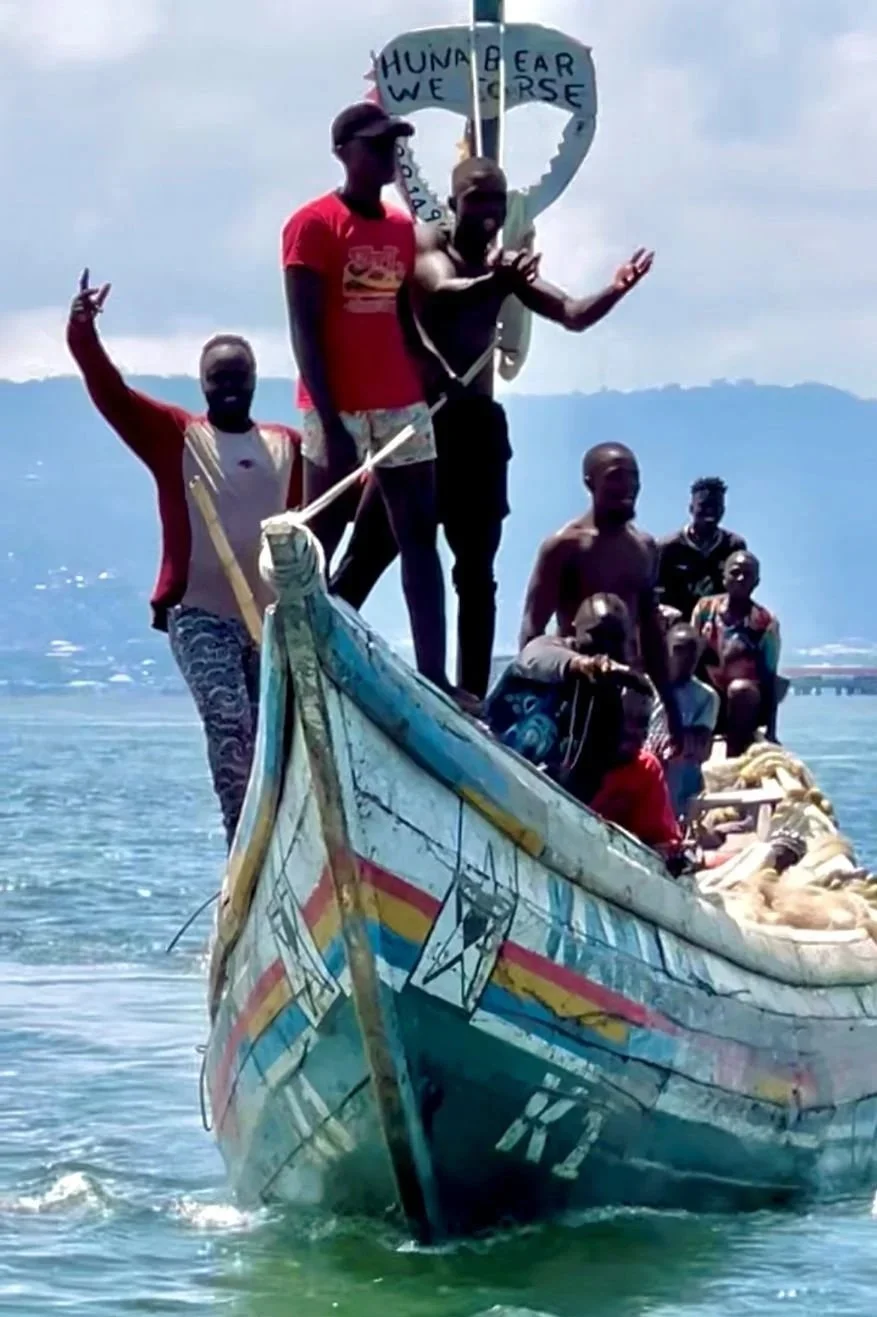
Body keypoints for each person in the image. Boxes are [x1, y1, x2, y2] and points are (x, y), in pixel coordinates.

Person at [330, 156, 654, 698]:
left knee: (476, 575)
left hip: (476, 432)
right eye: (477, 198)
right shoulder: (430, 248)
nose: (487, 211)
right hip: (418, 424)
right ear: (454, 202)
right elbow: (440, 293)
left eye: (496, 201)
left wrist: (615, 289)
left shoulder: (505, 265)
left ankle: (470, 695)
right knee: (366, 557)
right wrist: (497, 280)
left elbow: (571, 313)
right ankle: (320, 653)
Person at [66, 270, 301, 847]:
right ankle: (242, 852)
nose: (228, 387)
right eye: (218, 378)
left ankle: (285, 850)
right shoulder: (176, 435)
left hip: (270, 625)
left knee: (277, 739)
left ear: (253, 382)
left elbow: (340, 491)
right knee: (230, 728)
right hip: (200, 617)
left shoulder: (286, 446)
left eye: (238, 378)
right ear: (202, 383)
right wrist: (82, 332)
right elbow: (113, 395)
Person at [281, 101, 451, 690]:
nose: (388, 156)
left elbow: (401, 312)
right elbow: (304, 328)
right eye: (377, 145)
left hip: (399, 401)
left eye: (394, 146)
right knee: (321, 538)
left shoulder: (401, 228)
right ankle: (304, 664)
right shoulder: (312, 225)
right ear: (345, 151)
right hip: (337, 405)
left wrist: (429, 361)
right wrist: (329, 423)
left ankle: (435, 679)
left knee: (419, 536)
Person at [518, 442, 681, 744]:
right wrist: (535, 704)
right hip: (579, 688)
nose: (628, 485)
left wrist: (671, 706)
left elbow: (651, 630)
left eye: (635, 476)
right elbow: (532, 631)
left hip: (629, 690)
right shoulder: (565, 547)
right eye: (616, 476)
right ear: (590, 482)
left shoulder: (644, 548)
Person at [691, 551, 781, 757]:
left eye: (747, 575)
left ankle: (733, 755)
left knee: (741, 690)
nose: (740, 579)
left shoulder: (765, 623)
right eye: (735, 572)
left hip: (743, 705)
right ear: (724, 577)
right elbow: (691, 658)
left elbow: (769, 679)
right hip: (707, 698)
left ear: (756, 582)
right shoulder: (705, 609)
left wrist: (771, 732)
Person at [589, 685, 682, 859]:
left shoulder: (646, 768)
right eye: (624, 719)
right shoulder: (568, 755)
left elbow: (661, 844)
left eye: (641, 723)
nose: (632, 730)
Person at [658, 477, 747, 619]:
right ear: (691, 508)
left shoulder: (734, 547)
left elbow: (742, 592)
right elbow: (652, 594)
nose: (710, 513)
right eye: (704, 506)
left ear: (723, 510)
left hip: (718, 629)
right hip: (677, 630)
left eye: (716, 507)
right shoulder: (668, 547)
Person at [663, 623, 720, 818]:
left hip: (681, 780)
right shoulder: (648, 686)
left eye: (691, 653)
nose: (685, 659)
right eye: (678, 651)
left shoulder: (707, 697)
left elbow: (700, 749)